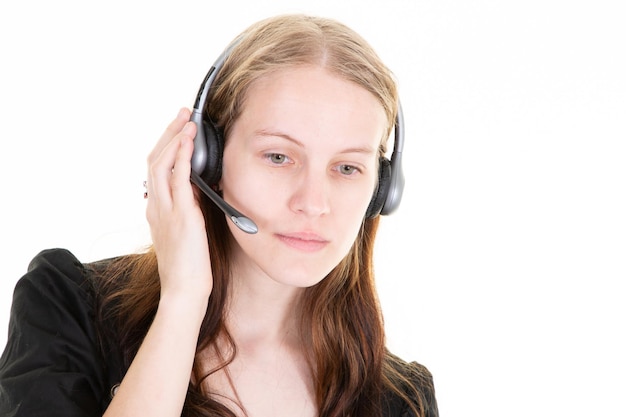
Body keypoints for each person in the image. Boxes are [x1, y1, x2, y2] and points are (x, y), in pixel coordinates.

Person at [0, 14, 438, 417]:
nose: (313, 202)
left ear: (382, 188)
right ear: (206, 160)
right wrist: (183, 300)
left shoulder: (402, 399)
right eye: (279, 156)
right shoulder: (68, 308)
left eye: (347, 168)